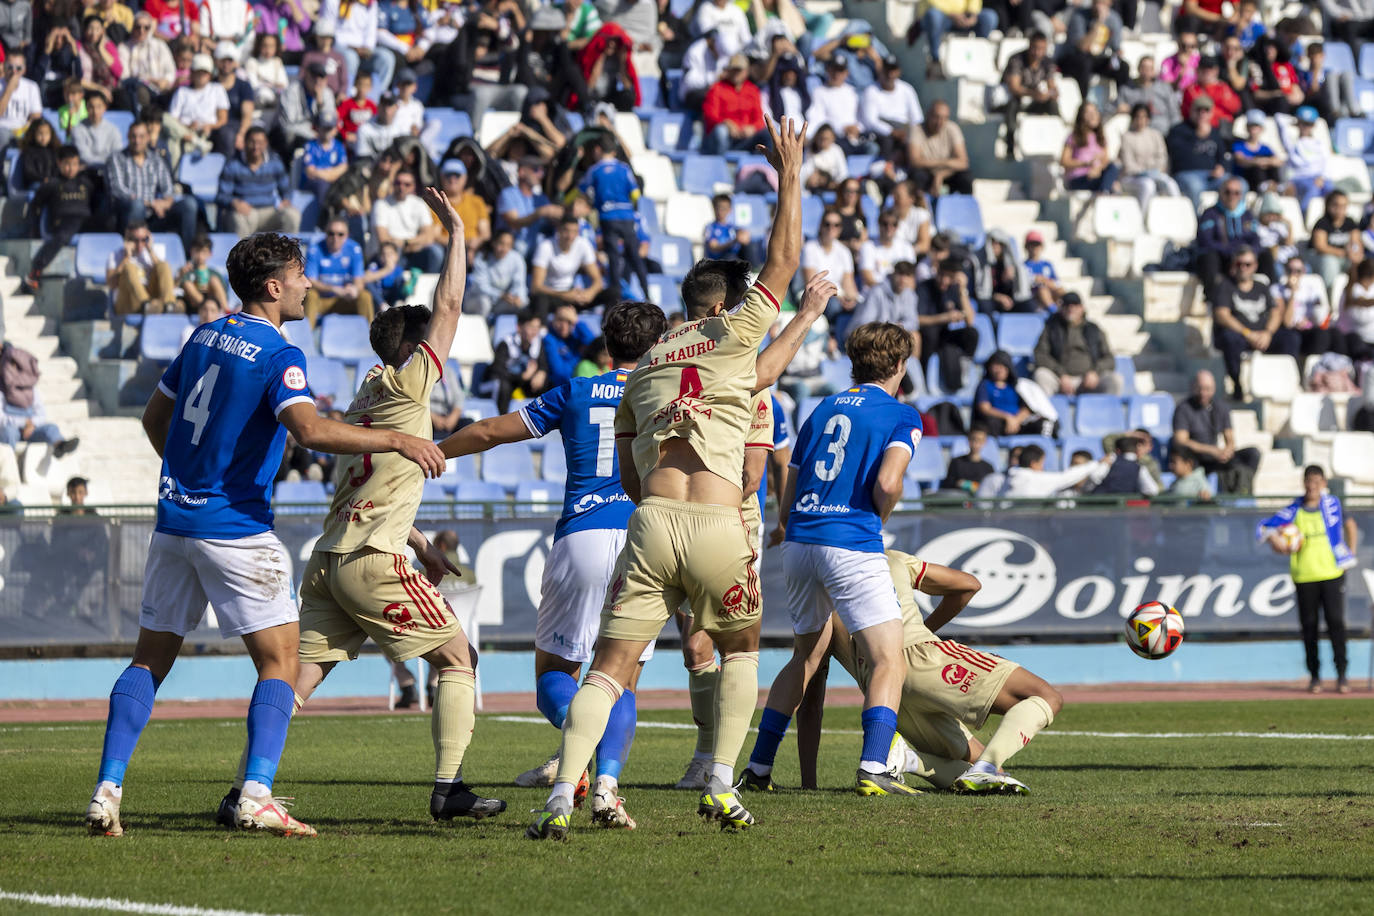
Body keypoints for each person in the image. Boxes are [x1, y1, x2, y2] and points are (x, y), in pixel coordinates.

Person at [84, 231, 447, 840]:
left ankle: (106, 789)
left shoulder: (202, 335)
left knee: (148, 660)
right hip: (235, 526)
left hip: (174, 523)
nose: (308, 285)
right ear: (274, 286)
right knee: (281, 662)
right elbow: (307, 430)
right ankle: (256, 794)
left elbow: (155, 417)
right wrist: (398, 438)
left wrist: (186, 477)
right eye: (301, 275)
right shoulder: (280, 354)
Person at [526, 117, 831, 840]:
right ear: (725, 308)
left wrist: (655, 508)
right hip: (723, 524)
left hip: (653, 520)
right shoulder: (732, 338)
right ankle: (721, 783)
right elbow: (782, 262)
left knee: (609, 666)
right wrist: (790, 176)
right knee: (741, 652)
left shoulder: (650, 360)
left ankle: (562, 797)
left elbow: (634, 462)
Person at [216, 189, 508, 826]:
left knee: (292, 681)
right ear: (417, 352)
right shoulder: (411, 383)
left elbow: (373, 481)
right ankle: (449, 788)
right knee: (460, 659)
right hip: (373, 562)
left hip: (330, 559)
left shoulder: (366, 399)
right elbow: (451, 303)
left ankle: (246, 788)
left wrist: (421, 538)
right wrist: (457, 231)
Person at [435, 300, 668, 828]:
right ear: (658, 345)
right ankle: (607, 788)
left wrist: (436, 449)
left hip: (583, 535)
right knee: (623, 680)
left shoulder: (579, 390)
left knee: (551, 678)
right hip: (643, 537)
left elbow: (494, 431)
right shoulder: (668, 393)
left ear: (606, 346)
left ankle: (575, 752)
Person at [741, 320, 923, 799]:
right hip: (850, 541)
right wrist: (881, 511)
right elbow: (887, 483)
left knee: (805, 655)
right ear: (900, 366)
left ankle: (758, 766)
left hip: (799, 539)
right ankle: (873, 765)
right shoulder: (902, 415)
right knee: (888, 659)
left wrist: (787, 528)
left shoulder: (821, 409)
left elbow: (790, 488)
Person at [791, 552, 1064, 793]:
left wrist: (808, 783)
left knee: (988, 776)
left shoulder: (816, 597)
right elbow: (969, 585)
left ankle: (906, 759)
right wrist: (927, 632)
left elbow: (810, 700)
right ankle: (989, 765)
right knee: (1046, 697)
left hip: (886, 695)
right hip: (922, 659)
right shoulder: (888, 558)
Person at [1258, 465, 1359, 693]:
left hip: (1332, 573)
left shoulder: (1332, 506)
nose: (1312, 486)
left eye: (1316, 481)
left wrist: (1349, 553)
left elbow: (1350, 524)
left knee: (1336, 623)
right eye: (1308, 481)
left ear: (1323, 483)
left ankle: (1342, 674)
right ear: (1303, 483)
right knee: (1309, 627)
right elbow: (1270, 532)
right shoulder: (1294, 510)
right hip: (1304, 576)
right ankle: (1315, 676)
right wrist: (1278, 544)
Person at [1211, 244, 1300, 399]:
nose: (1243, 268)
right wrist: (1248, 333)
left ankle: (1285, 382)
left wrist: (1268, 333)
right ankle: (1237, 384)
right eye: (1240, 264)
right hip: (1241, 336)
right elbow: (1222, 315)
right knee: (1229, 339)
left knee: (1290, 338)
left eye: (1248, 264)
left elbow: (1275, 312)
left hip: (1262, 335)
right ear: (1234, 265)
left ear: (1255, 266)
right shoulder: (1225, 285)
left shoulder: (1261, 287)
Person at [105, 118, 199, 251]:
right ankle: (133, 252)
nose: (137, 140)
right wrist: (150, 203)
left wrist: (164, 203)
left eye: (141, 136)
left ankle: (189, 257)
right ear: (128, 137)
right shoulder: (116, 158)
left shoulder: (156, 159)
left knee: (189, 204)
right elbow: (119, 190)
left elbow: (168, 190)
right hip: (128, 215)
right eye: (133, 136)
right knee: (137, 205)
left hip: (154, 215)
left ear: (148, 138)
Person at [579, 141, 648, 305]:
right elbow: (636, 193)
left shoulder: (594, 170)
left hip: (607, 217)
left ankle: (616, 298)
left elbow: (582, 189)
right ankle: (647, 294)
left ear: (598, 149)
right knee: (634, 256)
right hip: (626, 216)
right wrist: (629, 208)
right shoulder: (624, 168)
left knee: (613, 258)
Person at [1171, 370, 1260, 494]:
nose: (1203, 393)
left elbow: (1229, 437)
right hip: (1196, 459)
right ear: (1194, 387)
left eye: (1207, 389)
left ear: (1213, 388)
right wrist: (1211, 450)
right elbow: (1181, 440)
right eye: (1200, 388)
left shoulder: (1221, 407)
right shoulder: (1184, 409)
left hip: (1216, 458)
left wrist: (1227, 451)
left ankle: (1243, 489)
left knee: (1252, 454)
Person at [22, 145, 95, 290]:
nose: (71, 168)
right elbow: (35, 205)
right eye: (67, 164)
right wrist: (34, 230)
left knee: (110, 224)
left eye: (74, 164)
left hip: (85, 221)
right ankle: (35, 272)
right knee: (63, 236)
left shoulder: (86, 183)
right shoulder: (52, 184)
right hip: (63, 222)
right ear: (59, 163)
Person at [215, 126, 300, 236]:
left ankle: (288, 252)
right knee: (238, 220)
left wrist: (286, 200)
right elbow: (221, 196)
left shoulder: (275, 163)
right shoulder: (232, 165)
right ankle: (243, 253)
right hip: (246, 212)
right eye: (252, 142)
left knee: (292, 215)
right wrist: (234, 202)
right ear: (245, 143)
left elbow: (286, 189)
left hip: (269, 211)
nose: (256, 147)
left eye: (260, 142)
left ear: (266, 144)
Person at [1032, 292, 1120, 395]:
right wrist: (1061, 374)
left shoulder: (1094, 330)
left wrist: (1095, 372)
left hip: (1088, 380)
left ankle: (1106, 410)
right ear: (1061, 308)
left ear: (1082, 308)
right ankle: (1046, 410)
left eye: (1075, 305)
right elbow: (1040, 354)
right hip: (1060, 379)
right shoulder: (1051, 328)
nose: (1071, 308)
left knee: (1115, 380)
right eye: (1067, 305)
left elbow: (1109, 359)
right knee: (1041, 375)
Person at [1195, 178, 1266, 302]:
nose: (1232, 196)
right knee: (1209, 258)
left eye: (1236, 193)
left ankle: (1270, 300)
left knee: (1267, 256)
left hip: (1242, 256)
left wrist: (1248, 253)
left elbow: (1256, 240)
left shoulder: (1247, 215)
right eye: (1227, 192)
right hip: (1222, 257)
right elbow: (1205, 241)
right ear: (1221, 193)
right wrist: (1231, 252)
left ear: (1241, 195)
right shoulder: (1210, 214)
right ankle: (1213, 301)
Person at [916, 256, 979, 393]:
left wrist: (963, 289)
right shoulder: (924, 287)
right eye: (942, 275)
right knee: (930, 334)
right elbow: (917, 319)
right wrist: (944, 318)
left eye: (949, 277)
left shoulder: (955, 289)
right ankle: (923, 380)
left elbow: (970, 320)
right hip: (927, 336)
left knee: (971, 333)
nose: (944, 280)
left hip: (944, 336)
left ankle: (965, 367)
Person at [373, 168, 445, 274]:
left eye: (407, 184)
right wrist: (414, 242)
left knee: (436, 252)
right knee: (390, 255)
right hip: (393, 253)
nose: (402, 187)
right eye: (398, 183)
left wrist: (406, 242)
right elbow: (384, 239)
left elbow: (429, 237)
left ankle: (431, 286)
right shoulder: (381, 204)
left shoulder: (419, 204)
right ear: (393, 184)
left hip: (414, 251)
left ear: (413, 186)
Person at [530, 215, 604, 319]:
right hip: (552, 296)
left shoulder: (583, 244)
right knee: (541, 299)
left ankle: (609, 330)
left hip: (572, 295)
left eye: (574, 232)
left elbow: (598, 281)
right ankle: (542, 330)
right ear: (558, 230)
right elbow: (536, 287)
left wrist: (590, 293)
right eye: (566, 231)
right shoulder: (545, 246)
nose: (570, 236)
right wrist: (563, 294)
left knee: (613, 293)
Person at [1166, 94, 1232, 208]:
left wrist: (1221, 167)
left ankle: (1225, 220)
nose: (1202, 113)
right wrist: (1196, 135)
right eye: (1198, 110)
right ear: (1191, 111)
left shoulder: (1215, 132)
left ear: (1211, 113)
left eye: (1206, 110)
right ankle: (1200, 223)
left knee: (1236, 185)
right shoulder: (1178, 130)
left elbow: (1224, 156)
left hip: (1213, 177)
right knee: (1195, 187)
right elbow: (1177, 156)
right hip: (1187, 175)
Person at [304, 217, 374, 325]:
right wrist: (333, 289)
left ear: (347, 235)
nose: (335, 238)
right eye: (331, 233)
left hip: (345, 299)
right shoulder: (315, 249)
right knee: (311, 295)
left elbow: (359, 280)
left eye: (340, 234)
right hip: (321, 300)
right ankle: (306, 337)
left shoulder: (354, 249)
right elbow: (310, 281)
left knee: (365, 296)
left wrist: (354, 289)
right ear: (325, 233)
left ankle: (371, 337)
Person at [999, 31, 1057, 157]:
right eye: (1035, 48)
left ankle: (1056, 139)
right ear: (1029, 46)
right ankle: (1010, 145)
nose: (1037, 52)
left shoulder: (1047, 62)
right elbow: (1014, 87)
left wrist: (1050, 94)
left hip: (1033, 101)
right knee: (1012, 105)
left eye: (1041, 49)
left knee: (1052, 105)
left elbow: (1053, 86)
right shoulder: (1017, 59)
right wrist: (1034, 94)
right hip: (1011, 100)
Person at [801, 208, 859, 332]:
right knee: (833, 306)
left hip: (839, 295)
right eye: (827, 224)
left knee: (861, 306)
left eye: (836, 225)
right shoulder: (810, 248)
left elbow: (848, 283)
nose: (831, 228)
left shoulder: (844, 251)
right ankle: (832, 338)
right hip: (820, 294)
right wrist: (838, 296)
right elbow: (812, 282)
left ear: (840, 229)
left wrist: (851, 298)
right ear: (821, 226)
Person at [805, 53, 873, 156]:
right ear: (828, 70)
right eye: (834, 70)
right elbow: (817, 118)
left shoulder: (852, 92)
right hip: (836, 138)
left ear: (846, 73)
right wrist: (841, 128)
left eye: (840, 71)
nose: (836, 74)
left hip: (856, 137)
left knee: (874, 147)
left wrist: (857, 128)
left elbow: (861, 118)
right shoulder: (819, 92)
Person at [106, 220, 178, 316]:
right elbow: (111, 284)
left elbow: (164, 276)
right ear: (127, 239)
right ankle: (146, 305)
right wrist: (126, 258)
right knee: (129, 267)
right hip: (127, 302)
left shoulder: (153, 251)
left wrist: (150, 251)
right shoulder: (115, 255)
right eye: (135, 240)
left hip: (152, 300)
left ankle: (169, 305)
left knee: (163, 265)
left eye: (143, 240)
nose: (140, 244)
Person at [1057, 0, 1127, 99]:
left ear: (1110, 3)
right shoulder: (1079, 16)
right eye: (1096, 3)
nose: (1099, 7)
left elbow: (1116, 48)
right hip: (1074, 59)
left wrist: (1116, 60)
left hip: (1098, 59)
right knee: (1084, 64)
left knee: (1122, 67)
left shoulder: (1114, 19)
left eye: (1103, 3)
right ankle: (1084, 103)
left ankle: (1121, 101)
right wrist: (1099, 22)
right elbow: (1082, 47)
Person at [1272, 254, 1336, 362]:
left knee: (1323, 335)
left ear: (1304, 271)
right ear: (1285, 271)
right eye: (1290, 270)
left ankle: (1316, 368)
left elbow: (1321, 317)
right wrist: (1293, 293)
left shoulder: (1313, 287)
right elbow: (1287, 322)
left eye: (1298, 271)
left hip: (1308, 329)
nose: (1294, 274)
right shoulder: (1277, 289)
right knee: (1292, 338)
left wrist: (1308, 322)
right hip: (1289, 331)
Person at [701, 52, 767, 155]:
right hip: (724, 137)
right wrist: (726, 122)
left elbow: (759, 118)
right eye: (733, 70)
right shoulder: (717, 88)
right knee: (721, 132)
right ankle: (719, 166)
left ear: (746, 72)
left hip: (745, 137)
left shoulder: (752, 90)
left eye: (739, 70)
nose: (736, 73)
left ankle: (764, 168)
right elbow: (710, 116)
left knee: (767, 135)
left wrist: (752, 128)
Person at [973, 350, 1051, 436]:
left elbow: (1027, 408)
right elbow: (985, 408)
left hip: (1018, 423)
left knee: (1044, 423)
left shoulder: (1018, 386)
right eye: (996, 365)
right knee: (990, 424)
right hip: (999, 422)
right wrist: (1007, 417)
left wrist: (1016, 420)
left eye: (1003, 366)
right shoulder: (985, 385)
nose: (999, 370)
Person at [1119, 102, 1180, 213]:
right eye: (1137, 117)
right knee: (1148, 186)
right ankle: (1141, 220)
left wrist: (1154, 170)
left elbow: (1162, 157)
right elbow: (1128, 164)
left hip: (1154, 174)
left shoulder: (1156, 135)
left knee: (1170, 184)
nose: (1140, 120)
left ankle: (1177, 216)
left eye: (1144, 117)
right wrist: (1144, 172)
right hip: (1132, 178)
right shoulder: (1126, 137)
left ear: (1148, 119)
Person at [861, 56, 922, 159]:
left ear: (898, 72)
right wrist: (892, 132)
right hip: (882, 131)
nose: (890, 74)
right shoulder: (871, 91)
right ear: (881, 71)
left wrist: (910, 133)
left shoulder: (907, 89)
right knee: (887, 141)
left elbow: (917, 118)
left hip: (904, 128)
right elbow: (870, 121)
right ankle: (885, 166)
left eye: (893, 70)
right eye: (887, 70)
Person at [498, 157, 560, 258]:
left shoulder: (542, 198)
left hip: (534, 252)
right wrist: (539, 213)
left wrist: (564, 213)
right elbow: (514, 223)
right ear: (521, 172)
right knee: (520, 247)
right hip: (510, 251)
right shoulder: (508, 194)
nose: (540, 175)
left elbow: (554, 224)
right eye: (536, 170)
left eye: (542, 171)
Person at [848, 261, 919, 349]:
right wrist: (888, 329)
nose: (903, 279)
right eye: (900, 274)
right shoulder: (876, 291)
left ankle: (910, 363)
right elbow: (865, 323)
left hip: (889, 333)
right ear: (893, 274)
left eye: (907, 275)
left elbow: (913, 323)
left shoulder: (910, 295)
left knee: (915, 336)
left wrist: (894, 328)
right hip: (870, 334)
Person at [919, 0, 996, 81]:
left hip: (963, 16)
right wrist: (952, 14)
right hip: (943, 16)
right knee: (933, 16)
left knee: (989, 17)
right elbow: (932, 2)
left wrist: (972, 13)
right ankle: (935, 61)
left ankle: (979, 58)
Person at [908, 99, 972, 197]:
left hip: (948, 174)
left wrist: (940, 175)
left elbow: (963, 163)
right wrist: (946, 162)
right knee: (917, 176)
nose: (939, 122)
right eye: (936, 117)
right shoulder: (917, 130)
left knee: (965, 177)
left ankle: (966, 207)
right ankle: (920, 206)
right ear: (928, 115)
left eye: (944, 118)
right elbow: (915, 161)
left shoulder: (953, 129)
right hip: (926, 173)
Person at [1308, 190, 1359, 296]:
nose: (1340, 209)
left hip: (1344, 258)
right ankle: (1329, 295)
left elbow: (1356, 243)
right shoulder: (1322, 223)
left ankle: (1357, 295)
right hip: (1321, 259)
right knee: (1329, 262)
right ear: (1328, 205)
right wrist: (1344, 253)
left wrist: (1355, 254)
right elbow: (1320, 247)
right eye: (1336, 205)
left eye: (1343, 206)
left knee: (1361, 262)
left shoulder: (1350, 222)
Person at [1060, 101, 1118, 194]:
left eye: (1095, 112)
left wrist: (1097, 170)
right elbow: (1064, 161)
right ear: (1081, 116)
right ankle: (1105, 192)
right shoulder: (1074, 137)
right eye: (1088, 113)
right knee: (1111, 184)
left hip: (1096, 176)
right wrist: (1086, 164)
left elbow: (1105, 161)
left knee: (1112, 168)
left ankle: (1104, 192)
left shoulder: (1101, 138)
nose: (1093, 116)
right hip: (1079, 179)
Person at [468, 229, 527, 317]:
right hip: (478, 299)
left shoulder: (517, 258)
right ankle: (481, 328)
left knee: (522, 302)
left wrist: (516, 297)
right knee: (484, 303)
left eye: (508, 245)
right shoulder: (482, 257)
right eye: (501, 244)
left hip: (501, 300)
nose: (504, 249)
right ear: (494, 243)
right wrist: (500, 295)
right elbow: (481, 287)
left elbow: (519, 283)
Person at [1117, 56, 1179, 136]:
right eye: (1144, 67)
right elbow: (1115, 107)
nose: (1147, 71)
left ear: (1154, 71)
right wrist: (1122, 109)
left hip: (1162, 132)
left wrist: (1176, 132)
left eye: (1150, 68)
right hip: (1137, 133)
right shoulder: (1127, 89)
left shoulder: (1164, 88)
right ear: (1138, 68)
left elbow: (1174, 113)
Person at [541, 305, 598, 390]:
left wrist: (577, 321)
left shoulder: (576, 336)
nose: (563, 325)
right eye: (560, 320)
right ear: (553, 322)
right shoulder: (550, 339)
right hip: (560, 389)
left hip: (578, 387)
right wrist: (579, 356)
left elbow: (595, 346)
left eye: (568, 321)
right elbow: (560, 373)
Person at [1285, 105, 1329, 211]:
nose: (1305, 127)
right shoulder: (1291, 142)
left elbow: (1325, 163)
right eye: (1302, 123)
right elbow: (1279, 119)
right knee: (1313, 189)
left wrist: (1321, 177)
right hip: (1300, 178)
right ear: (1298, 123)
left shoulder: (1319, 144)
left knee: (1331, 189)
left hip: (1318, 177)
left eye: (1309, 124)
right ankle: (1304, 217)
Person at [859, 210, 916, 290]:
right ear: (878, 225)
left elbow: (911, 280)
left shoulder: (907, 248)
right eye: (885, 224)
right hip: (875, 294)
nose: (889, 228)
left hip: (900, 294)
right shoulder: (867, 247)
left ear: (897, 226)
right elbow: (868, 279)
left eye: (894, 224)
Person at [1090, 433, 1160, 496]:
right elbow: (1152, 490)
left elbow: (1094, 477)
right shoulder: (1139, 467)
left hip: (1100, 505)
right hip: (1124, 508)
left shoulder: (1110, 460)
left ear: (1117, 450)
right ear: (1136, 450)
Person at [176, 235, 229, 315]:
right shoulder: (186, 271)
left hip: (213, 305)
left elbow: (223, 293)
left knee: (214, 280)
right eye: (197, 251)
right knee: (187, 283)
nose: (200, 255)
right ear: (191, 251)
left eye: (204, 252)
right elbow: (174, 290)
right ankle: (204, 307)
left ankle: (226, 312)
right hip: (192, 306)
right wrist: (180, 276)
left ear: (210, 254)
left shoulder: (213, 273)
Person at [0, 54, 43, 150]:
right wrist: (9, 89)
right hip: (2, 130)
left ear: (24, 70)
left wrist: (25, 129)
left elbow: (37, 115)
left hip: (23, 130)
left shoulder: (31, 86)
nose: (14, 71)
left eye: (18, 68)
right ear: (4, 67)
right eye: (10, 67)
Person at [939, 427, 994, 493]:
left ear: (985, 442)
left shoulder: (988, 467)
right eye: (973, 439)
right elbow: (947, 485)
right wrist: (958, 483)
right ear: (968, 439)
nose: (976, 444)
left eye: (980, 440)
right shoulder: (956, 462)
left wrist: (972, 486)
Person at [704, 193, 749, 261]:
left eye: (725, 208)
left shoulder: (733, 228)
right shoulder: (711, 227)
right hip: (718, 261)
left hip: (734, 258)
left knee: (751, 247)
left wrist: (743, 237)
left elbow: (745, 240)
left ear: (730, 210)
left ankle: (756, 268)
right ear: (714, 208)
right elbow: (714, 247)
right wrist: (733, 241)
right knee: (730, 257)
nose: (721, 211)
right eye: (719, 207)